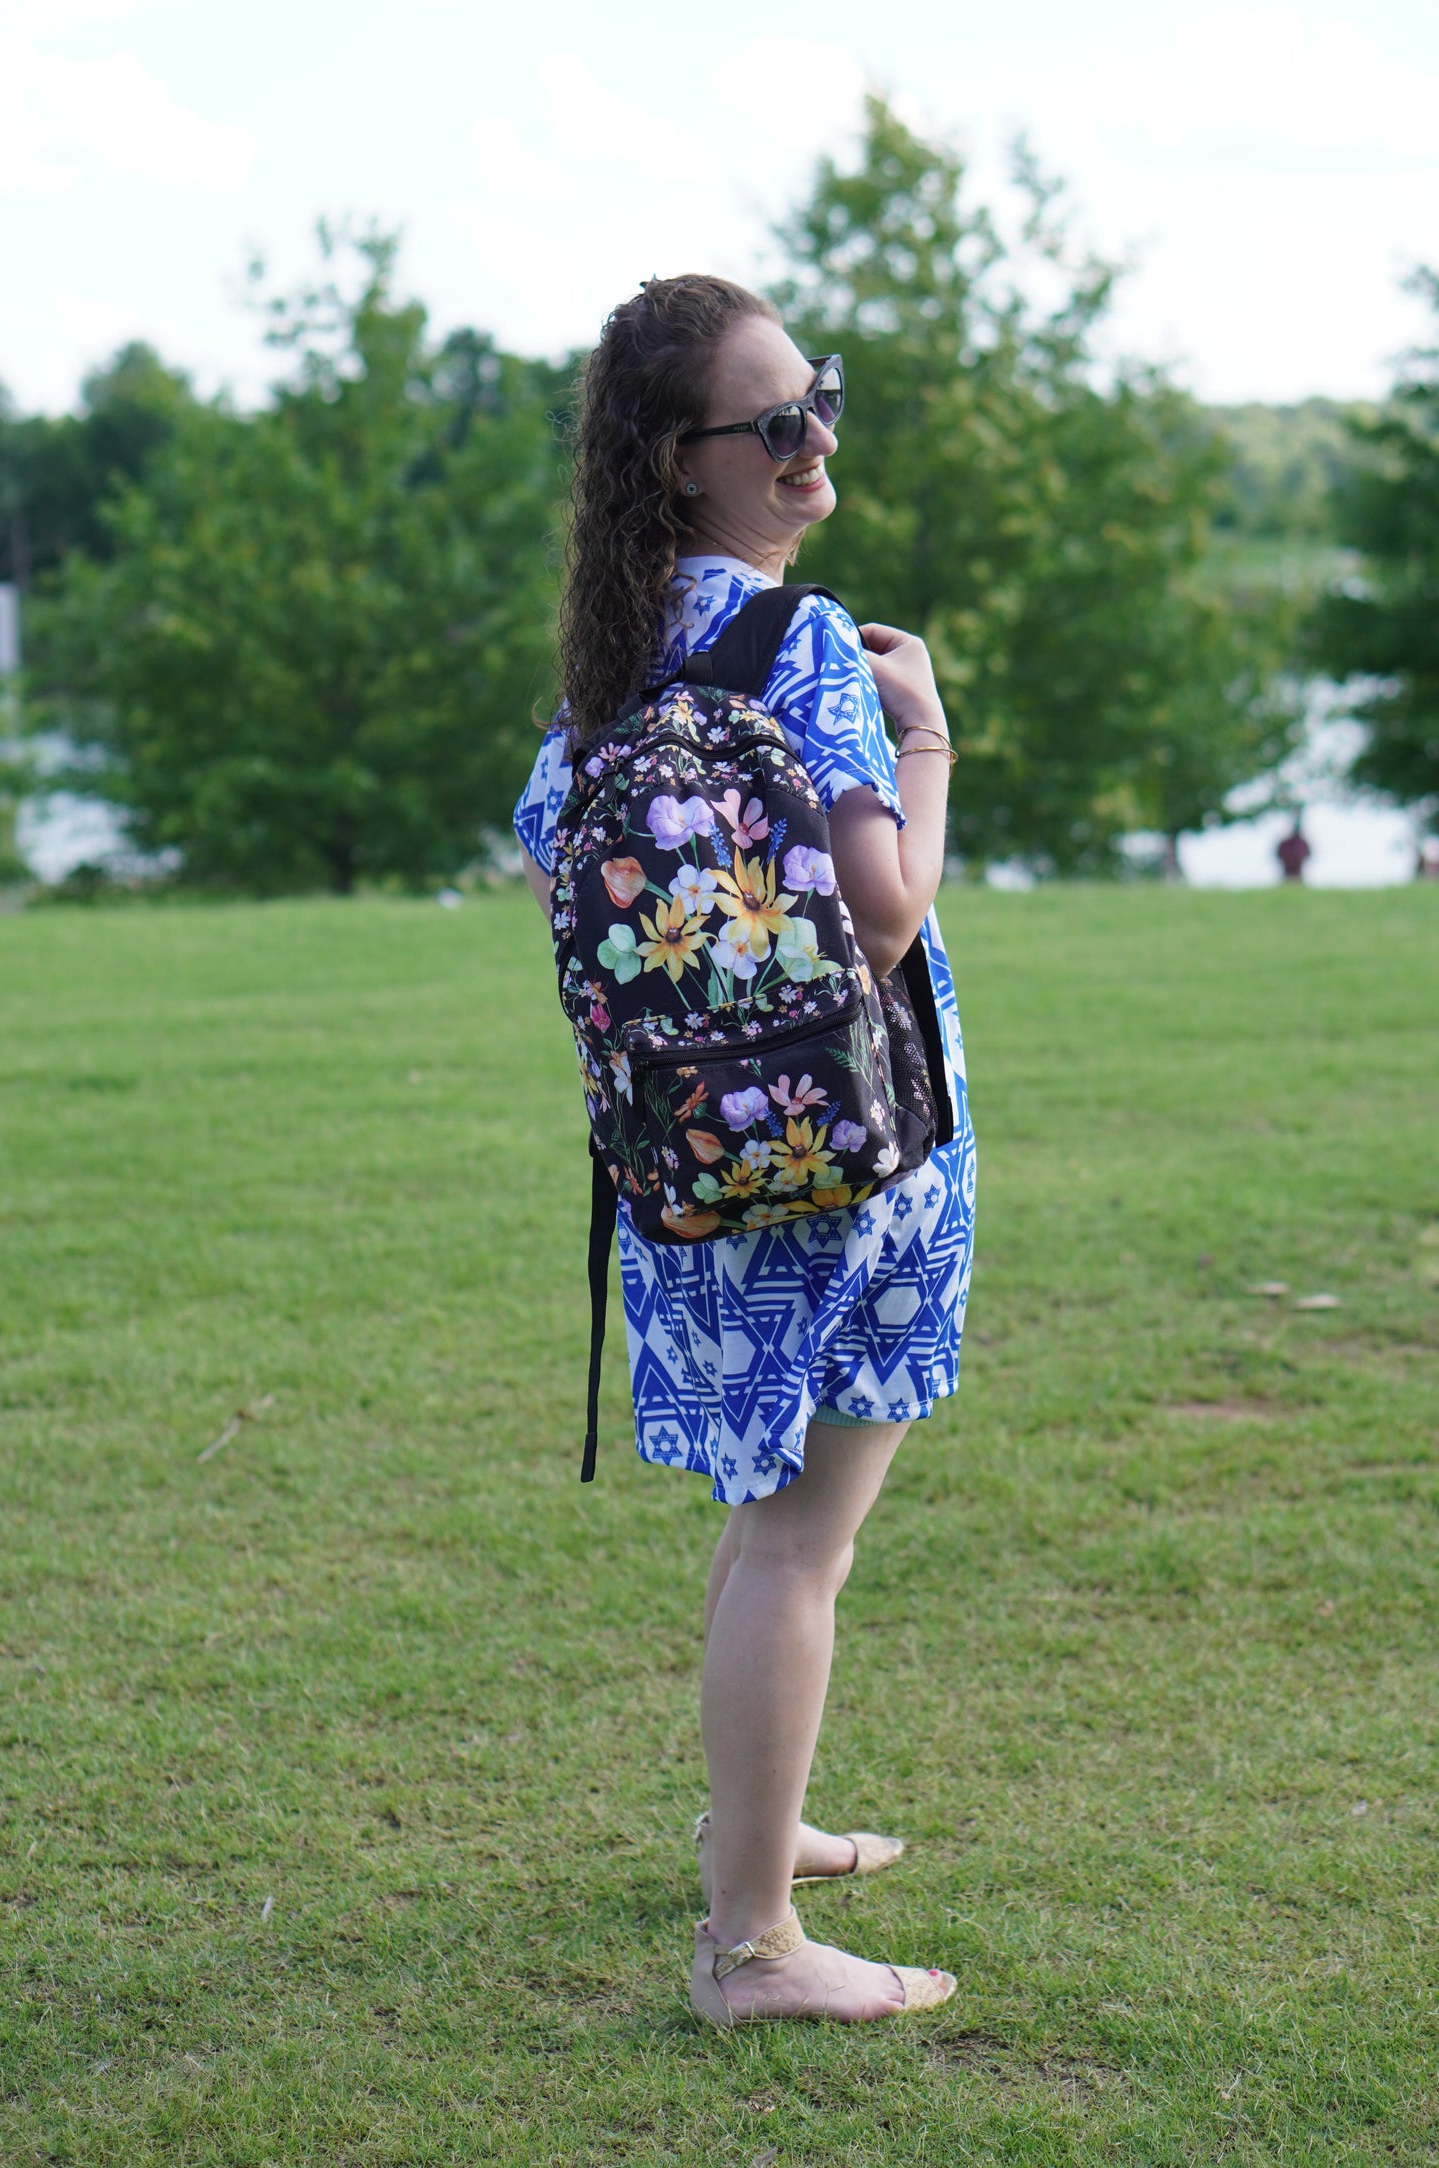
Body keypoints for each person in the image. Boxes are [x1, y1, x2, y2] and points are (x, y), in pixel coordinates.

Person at [513, 276, 977, 2026]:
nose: (813, 444)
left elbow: (567, 882)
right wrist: (923, 735)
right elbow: (880, 910)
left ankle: (755, 1840)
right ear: (674, 457)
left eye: (819, 401)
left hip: (693, 1171)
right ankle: (751, 1947)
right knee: (799, 1547)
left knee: (765, 1524)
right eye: (774, 423)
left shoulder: (606, 670)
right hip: (852, 1155)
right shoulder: (800, 648)